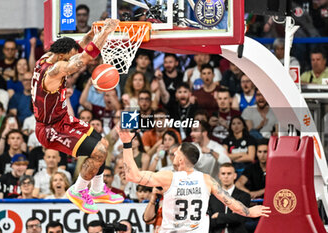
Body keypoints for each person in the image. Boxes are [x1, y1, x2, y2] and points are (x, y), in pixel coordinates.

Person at [32, 18, 123, 214]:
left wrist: (90, 35)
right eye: (70, 58)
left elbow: (77, 50)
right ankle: (78, 190)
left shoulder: (49, 57)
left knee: (103, 144)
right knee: (97, 152)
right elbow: (84, 59)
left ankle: (98, 190)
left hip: (61, 118)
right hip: (50, 129)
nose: (72, 59)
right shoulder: (54, 71)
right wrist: (106, 32)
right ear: (63, 57)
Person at [117, 128, 271, 232]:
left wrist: (127, 143)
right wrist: (249, 212)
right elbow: (230, 202)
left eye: (176, 153)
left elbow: (132, 176)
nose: (174, 155)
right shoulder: (206, 179)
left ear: (182, 159)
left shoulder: (168, 177)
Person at [208, 163, 251, 233]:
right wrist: (230, 217)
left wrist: (218, 216)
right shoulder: (212, 197)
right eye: (223, 174)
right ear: (219, 176)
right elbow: (209, 221)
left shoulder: (244, 196)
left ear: (235, 176)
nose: (226, 176)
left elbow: (239, 218)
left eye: (229, 173)